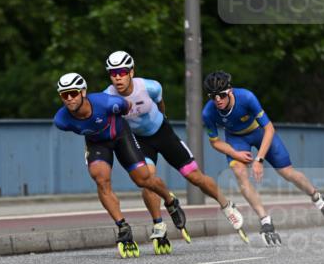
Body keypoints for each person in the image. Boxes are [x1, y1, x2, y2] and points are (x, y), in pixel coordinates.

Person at [103, 51, 248, 252]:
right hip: (139, 140)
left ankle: (226, 204)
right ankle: (158, 224)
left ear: (131, 72)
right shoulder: (107, 97)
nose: (117, 77)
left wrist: (162, 120)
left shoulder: (150, 87)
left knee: (195, 177)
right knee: (147, 179)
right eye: (113, 73)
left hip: (163, 133)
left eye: (122, 72)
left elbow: (160, 105)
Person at [201, 70, 324, 245]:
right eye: (212, 97)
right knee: (239, 173)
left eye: (221, 95)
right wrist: (235, 153)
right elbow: (215, 142)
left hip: (260, 132)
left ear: (230, 90)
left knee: (287, 173)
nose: (218, 101)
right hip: (237, 139)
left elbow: (269, 129)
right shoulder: (208, 113)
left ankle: (317, 196)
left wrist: (259, 159)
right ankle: (265, 220)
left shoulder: (246, 97)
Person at [53, 72, 184, 258]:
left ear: (83, 92)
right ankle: (122, 226)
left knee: (143, 179)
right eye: (64, 95)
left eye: (73, 93)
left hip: (121, 136)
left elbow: (127, 107)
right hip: (97, 143)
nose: (69, 99)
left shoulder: (107, 102)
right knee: (101, 179)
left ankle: (170, 201)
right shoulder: (61, 120)